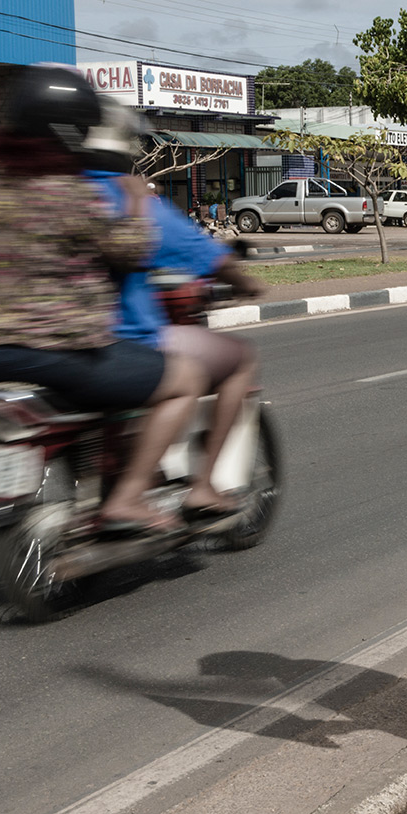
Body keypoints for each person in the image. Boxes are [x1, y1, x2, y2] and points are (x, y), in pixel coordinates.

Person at [0, 68, 207, 533]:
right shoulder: (71, 193)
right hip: (63, 353)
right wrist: (135, 200)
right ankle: (127, 499)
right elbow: (131, 254)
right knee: (185, 379)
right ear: (73, 130)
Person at [82, 101, 267, 517]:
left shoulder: (54, 196)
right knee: (238, 360)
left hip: (49, 343)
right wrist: (248, 283)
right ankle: (203, 486)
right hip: (123, 340)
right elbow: (210, 257)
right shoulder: (133, 200)